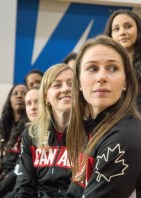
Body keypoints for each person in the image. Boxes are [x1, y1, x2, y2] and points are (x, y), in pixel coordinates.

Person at [66, 35, 141, 198]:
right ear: (78, 82)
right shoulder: (92, 128)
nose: (101, 77)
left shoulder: (125, 138)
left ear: (126, 82)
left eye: (113, 68)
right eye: (92, 68)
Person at [15, 63, 73, 198]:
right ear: (46, 96)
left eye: (71, 84)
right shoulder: (31, 134)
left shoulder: (92, 132)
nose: (65, 89)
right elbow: (24, 188)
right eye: (57, 85)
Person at [104, 9, 141, 112]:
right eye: (116, 29)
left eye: (128, 26)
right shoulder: (103, 64)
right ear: (110, 35)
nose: (122, 32)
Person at [0, 84, 28, 197]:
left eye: (24, 93)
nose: (19, 96)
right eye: (15, 93)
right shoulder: (3, 128)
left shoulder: (30, 129)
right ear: (9, 100)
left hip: (15, 183)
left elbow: (20, 169)